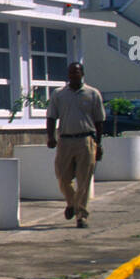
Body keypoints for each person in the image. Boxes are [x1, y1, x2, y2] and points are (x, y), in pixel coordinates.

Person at [46, 62, 104, 228]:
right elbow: (51, 117)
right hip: (65, 140)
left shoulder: (93, 94)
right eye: (71, 73)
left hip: (86, 140)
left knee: (84, 180)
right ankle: (72, 202)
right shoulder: (59, 94)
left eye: (76, 72)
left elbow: (99, 121)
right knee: (62, 177)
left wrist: (98, 144)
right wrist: (50, 136)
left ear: (82, 74)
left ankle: (81, 215)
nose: (73, 75)